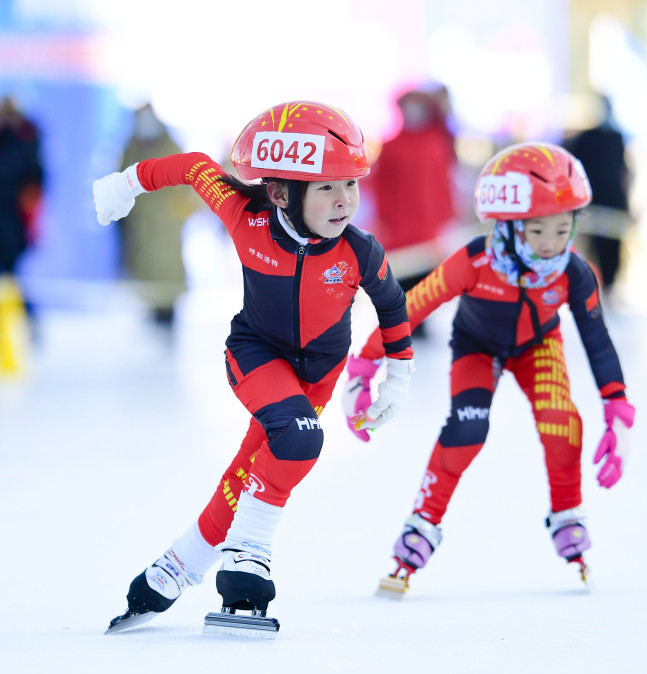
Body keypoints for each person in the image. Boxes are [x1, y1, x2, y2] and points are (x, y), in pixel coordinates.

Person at [92, 101, 414, 633]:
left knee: (252, 466)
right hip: (256, 355)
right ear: (283, 191)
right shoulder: (247, 217)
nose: (345, 201)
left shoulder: (359, 251)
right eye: (328, 187)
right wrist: (128, 182)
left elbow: (393, 306)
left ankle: (175, 568)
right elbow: (194, 166)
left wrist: (397, 380)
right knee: (299, 439)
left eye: (351, 185)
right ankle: (250, 552)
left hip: (316, 377)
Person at [342, 142, 635, 595]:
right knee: (466, 431)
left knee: (563, 425)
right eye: (538, 231)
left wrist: (616, 405)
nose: (552, 245)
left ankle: (568, 514)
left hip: (538, 348)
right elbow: (412, 309)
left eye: (563, 228)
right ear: (508, 228)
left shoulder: (573, 273)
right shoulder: (474, 261)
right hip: (477, 349)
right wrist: (364, 364)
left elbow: (597, 339)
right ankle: (421, 526)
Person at [367, 83, 458, 313]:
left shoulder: (438, 142)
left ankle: (421, 318)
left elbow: (444, 183)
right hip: (398, 223)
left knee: (428, 272)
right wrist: (382, 217)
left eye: (419, 107)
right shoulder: (390, 146)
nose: (414, 113)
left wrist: (448, 214)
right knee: (401, 271)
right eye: (409, 107)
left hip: (430, 222)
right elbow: (378, 186)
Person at [117, 103, 203, 332]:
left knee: (167, 272)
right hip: (141, 223)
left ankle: (167, 318)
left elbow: (187, 184)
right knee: (146, 272)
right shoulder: (132, 147)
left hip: (166, 225)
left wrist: (179, 210)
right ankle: (154, 314)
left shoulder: (171, 147)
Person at [562, 95, 630, 294]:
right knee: (590, 245)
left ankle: (608, 285)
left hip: (612, 202)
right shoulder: (586, 138)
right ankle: (588, 286)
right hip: (592, 202)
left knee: (612, 247)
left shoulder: (616, 138)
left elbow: (623, 171)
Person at [0, 96, 43, 342]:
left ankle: (27, 324)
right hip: (12, 224)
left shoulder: (25, 141)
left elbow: (34, 185)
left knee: (10, 278)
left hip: (13, 226)